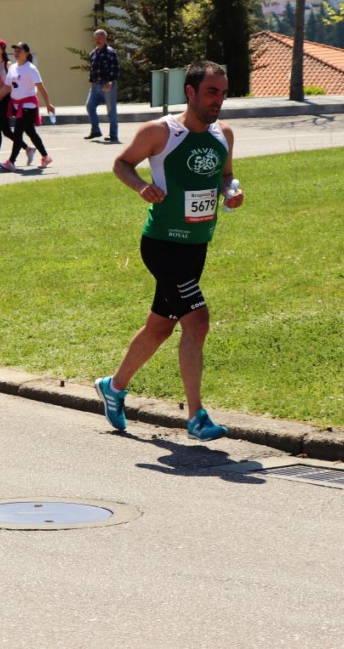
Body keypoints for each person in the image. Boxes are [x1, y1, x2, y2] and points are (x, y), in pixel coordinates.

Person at [94, 60, 244, 442]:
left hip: (197, 245)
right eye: (212, 92)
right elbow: (121, 163)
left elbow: (225, 175)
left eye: (223, 93)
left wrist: (231, 192)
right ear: (190, 92)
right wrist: (141, 186)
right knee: (198, 321)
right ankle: (196, 417)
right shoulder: (160, 132)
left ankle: (113, 387)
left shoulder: (223, 134)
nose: (218, 101)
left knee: (161, 326)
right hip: (163, 244)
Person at [0, 42, 55, 172]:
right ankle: (46, 157)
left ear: (26, 53)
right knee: (30, 132)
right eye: (15, 50)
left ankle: (11, 162)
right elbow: (8, 86)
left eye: (20, 50)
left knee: (18, 132)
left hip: (28, 105)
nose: (16, 53)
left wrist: (48, 103)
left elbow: (40, 86)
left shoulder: (31, 68)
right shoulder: (12, 68)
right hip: (18, 105)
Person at [0, 38, 32, 170]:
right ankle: (27, 148)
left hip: (6, 99)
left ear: (2, 49)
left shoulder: (7, 65)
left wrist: (1, 96)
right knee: (7, 131)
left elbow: (12, 85)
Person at [85, 28, 120, 143]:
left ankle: (113, 135)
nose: (97, 40)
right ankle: (95, 130)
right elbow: (92, 69)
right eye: (95, 38)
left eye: (100, 38)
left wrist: (110, 82)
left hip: (107, 85)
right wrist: (91, 81)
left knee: (111, 111)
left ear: (105, 38)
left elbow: (115, 69)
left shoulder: (111, 52)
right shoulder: (93, 53)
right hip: (96, 86)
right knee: (89, 106)